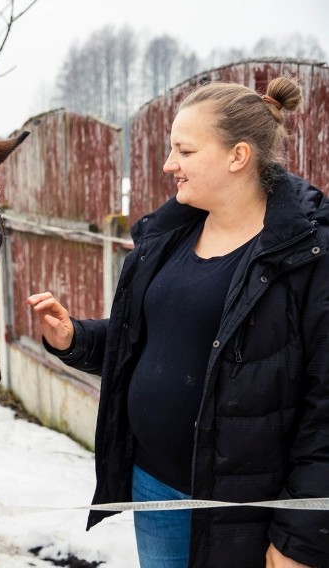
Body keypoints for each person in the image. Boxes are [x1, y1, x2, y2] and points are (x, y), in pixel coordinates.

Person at [27, 76, 329, 568]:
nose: (169, 165)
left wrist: (302, 537)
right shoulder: (170, 236)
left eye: (184, 151)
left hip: (243, 511)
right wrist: (75, 338)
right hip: (155, 487)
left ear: (238, 156)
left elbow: (325, 410)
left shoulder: (307, 257)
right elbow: (153, 344)